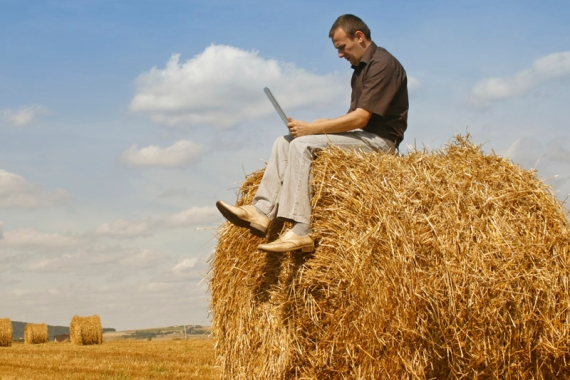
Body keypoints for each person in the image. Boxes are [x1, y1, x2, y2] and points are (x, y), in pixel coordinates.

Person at [216, 14, 408, 253]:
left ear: (359, 36)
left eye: (342, 47)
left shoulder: (383, 65)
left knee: (302, 145)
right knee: (285, 142)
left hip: (381, 143)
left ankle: (302, 230)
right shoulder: (359, 70)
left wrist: (314, 129)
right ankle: (261, 212)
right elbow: (356, 118)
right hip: (364, 136)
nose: (340, 54)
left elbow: (361, 118)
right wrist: (327, 123)